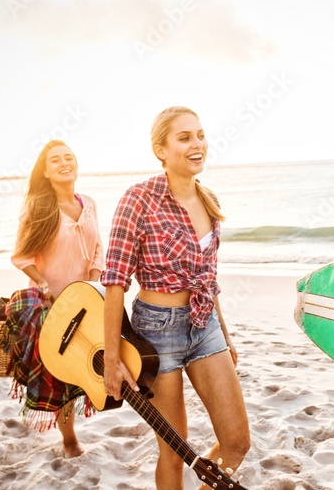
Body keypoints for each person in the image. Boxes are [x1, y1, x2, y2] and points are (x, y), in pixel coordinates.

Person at [101, 106, 250, 489]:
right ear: (161, 150)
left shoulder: (208, 200)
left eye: (200, 134)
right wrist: (113, 358)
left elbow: (209, 280)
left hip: (205, 327)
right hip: (156, 333)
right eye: (184, 138)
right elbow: (115, 280)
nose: (197, 144)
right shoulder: (138, 199)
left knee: (236, 443)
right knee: (173, 450)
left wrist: (226, 337)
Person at [7, 140, 105, 458]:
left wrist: (92, 282)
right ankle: (69, 439)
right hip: (52, 303)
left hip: (88, 300)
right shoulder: (39, 207)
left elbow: (98, 248)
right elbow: (21, 256)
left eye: (69, 157)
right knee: (62, 374)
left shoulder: (88, 203)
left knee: (93, 361)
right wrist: (42, 283)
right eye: (55, 160)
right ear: (46, 172)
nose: (64, 163)